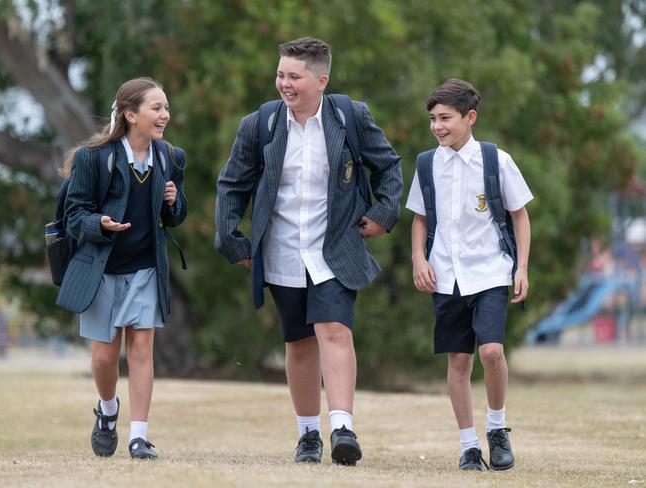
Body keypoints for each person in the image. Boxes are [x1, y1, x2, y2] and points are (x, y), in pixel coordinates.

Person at [215, 37, 403, 465]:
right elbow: (232, 183)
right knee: (299, 343)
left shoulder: (349, 116)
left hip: (335, 247)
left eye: (293, 76)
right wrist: (230, 237)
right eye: (280, 74)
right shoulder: (260, 123)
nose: (284, 83)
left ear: (321, 80)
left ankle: (342, 428)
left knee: (335, 330)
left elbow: (389, 165)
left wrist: (383, 214)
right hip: (281, 250)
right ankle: (308, 436)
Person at [56, 77, 187, 460]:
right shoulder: (92, 158)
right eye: (156, 108)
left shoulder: (170, 157)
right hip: (101, 270)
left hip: (147, 268)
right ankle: (108, 410)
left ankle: (139, 437)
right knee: (104, 357)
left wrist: (173, 200)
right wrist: (101, 224)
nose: (165, 115)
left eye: (165, 107)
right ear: (130, 114)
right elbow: (74, 216)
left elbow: (175, 217)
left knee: (143, 347)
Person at [406, 79, 532, 471]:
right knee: (458, 361)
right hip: (446, 275)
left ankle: (497, 428)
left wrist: (522, 267)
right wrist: (418, 259)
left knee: (491, 351)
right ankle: (468, 446)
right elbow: (420, 218)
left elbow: (520, 215)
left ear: (470, 117)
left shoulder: (496, 161)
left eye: (445, 118)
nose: (437, 126)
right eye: (433, 119)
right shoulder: (427, 163)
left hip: (491, 271)